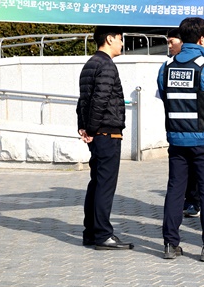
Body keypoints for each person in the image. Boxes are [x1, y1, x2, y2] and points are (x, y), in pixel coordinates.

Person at [157, 17, 204, 262]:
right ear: (203, 39)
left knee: (175, 190)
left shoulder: (166, 67)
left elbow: (164, 94)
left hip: (177, 139)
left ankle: (170, 245)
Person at [77, 26, 134, 250]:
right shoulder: (107, 65)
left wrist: (83, 126)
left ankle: (91, 231)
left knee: (97, 183)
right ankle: (102, 234)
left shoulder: (90, 63)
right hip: (107, 133)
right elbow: (99, 100)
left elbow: (83, 100)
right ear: (109, 39)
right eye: (120, 39)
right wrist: (90, 128)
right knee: (105, 185)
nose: (122, 43)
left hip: (97, 133)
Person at [167, 28, 200, 218]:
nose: (169, 46)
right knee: (179, 178)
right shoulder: (168, 66)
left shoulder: (203, 65)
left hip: (201, 130)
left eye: (172, 41)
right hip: (178, 131)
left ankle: (195, 202)